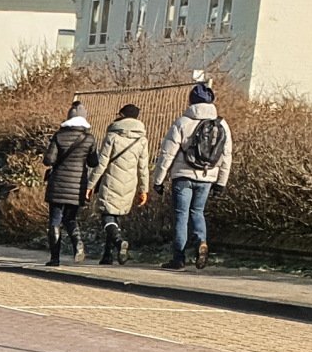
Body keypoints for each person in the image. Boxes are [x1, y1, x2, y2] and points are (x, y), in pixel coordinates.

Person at [153, 83, 232, 269]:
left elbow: (167, 154)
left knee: (181, 215)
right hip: (207, 176)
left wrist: (158, 180)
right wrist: (221, 182)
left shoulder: (182, 122)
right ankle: (200, 243)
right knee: (197, 212)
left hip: (183, 175)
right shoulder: (221, 124)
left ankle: (178, 258)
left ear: (191, 101)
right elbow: (226, 155)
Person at [84, 104, 150, 266]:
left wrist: (90, 185)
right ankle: (108, 256)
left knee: (107, 215)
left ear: (121, 115)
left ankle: (119, 242)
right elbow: (143, 167)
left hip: (111, 180)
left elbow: (101, 164)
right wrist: (144, 189)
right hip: (130, 183)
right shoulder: (142, 140)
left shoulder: (112, 136)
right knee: (116, 217)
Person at [41, 101, 96, 267]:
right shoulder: (89, 138)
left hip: (57, 183)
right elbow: (93, 162)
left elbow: (48, 160)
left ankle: (54, 258)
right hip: (77, 185)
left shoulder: (59, 136)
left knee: (55, 220)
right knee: (70, 218)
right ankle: (78, 245)